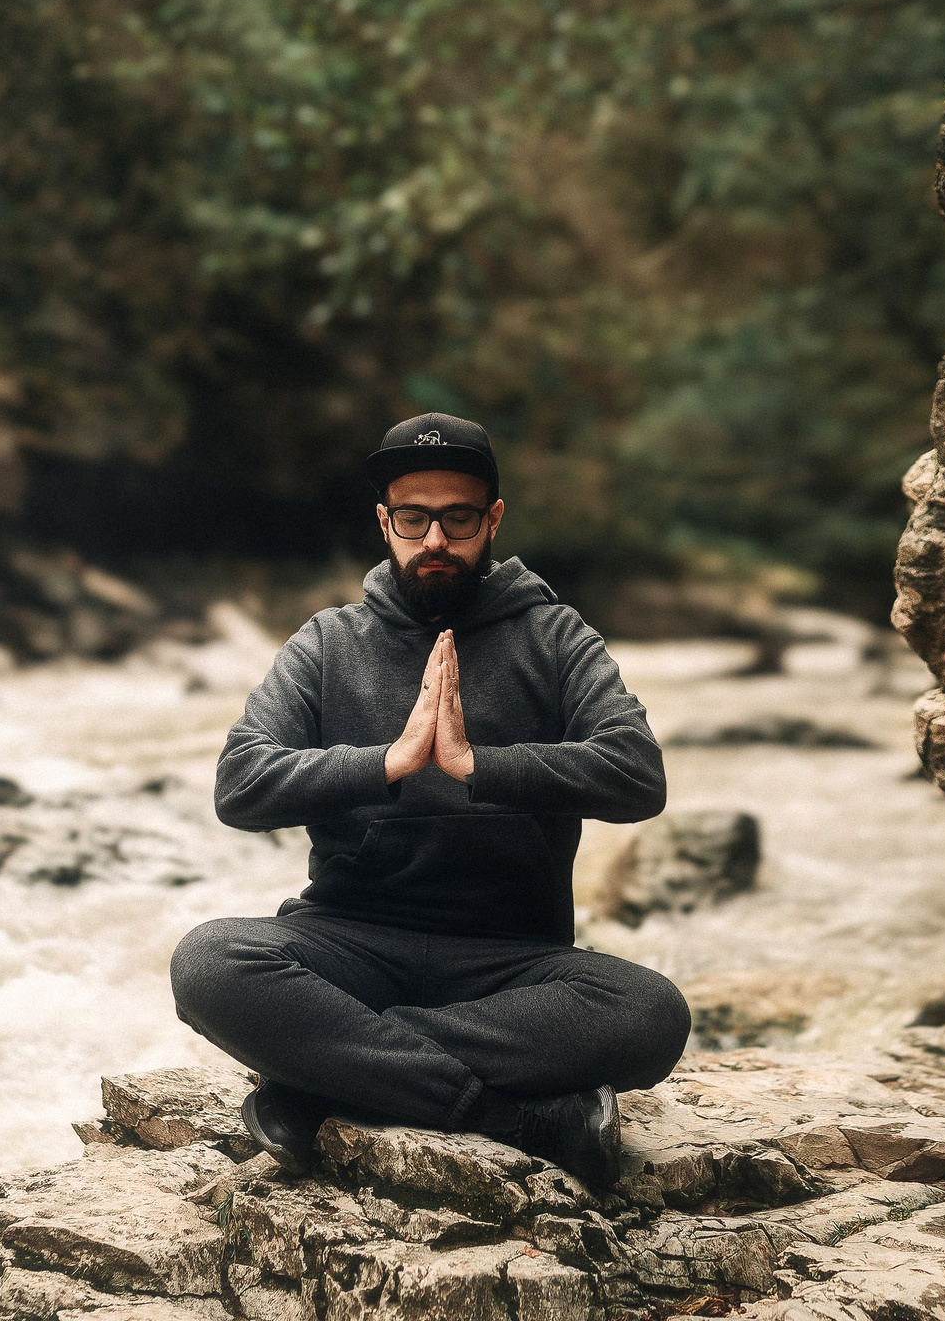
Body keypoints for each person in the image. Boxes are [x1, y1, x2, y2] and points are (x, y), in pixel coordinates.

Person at [171, 412, 688, 1189]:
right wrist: (389, 762)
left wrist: (479, 766)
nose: (435, 539)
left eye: (458, 518)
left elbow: (637, 774)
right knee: (209, 962)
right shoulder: (327, 642)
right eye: (413, 518)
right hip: (349, 945)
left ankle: (323, 1076)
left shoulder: (555, 637)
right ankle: (520, 1118)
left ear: (494, 520)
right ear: (385, 521)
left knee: (651, 1014)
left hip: (511, 965)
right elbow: (241, 784)